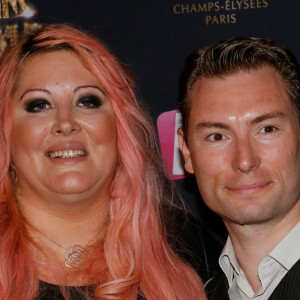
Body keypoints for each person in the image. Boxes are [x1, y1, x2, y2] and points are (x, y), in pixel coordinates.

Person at [0, 24, 206, 300]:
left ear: (120, 125)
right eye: (39, 105)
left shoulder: (186, 247)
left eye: (87, 101)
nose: (65, 123)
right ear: (6, 131)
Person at [177, 37, 300, 299]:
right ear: (186, 152)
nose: (244, 161)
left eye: (267, 129)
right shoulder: (198, 291)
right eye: (217, 137)